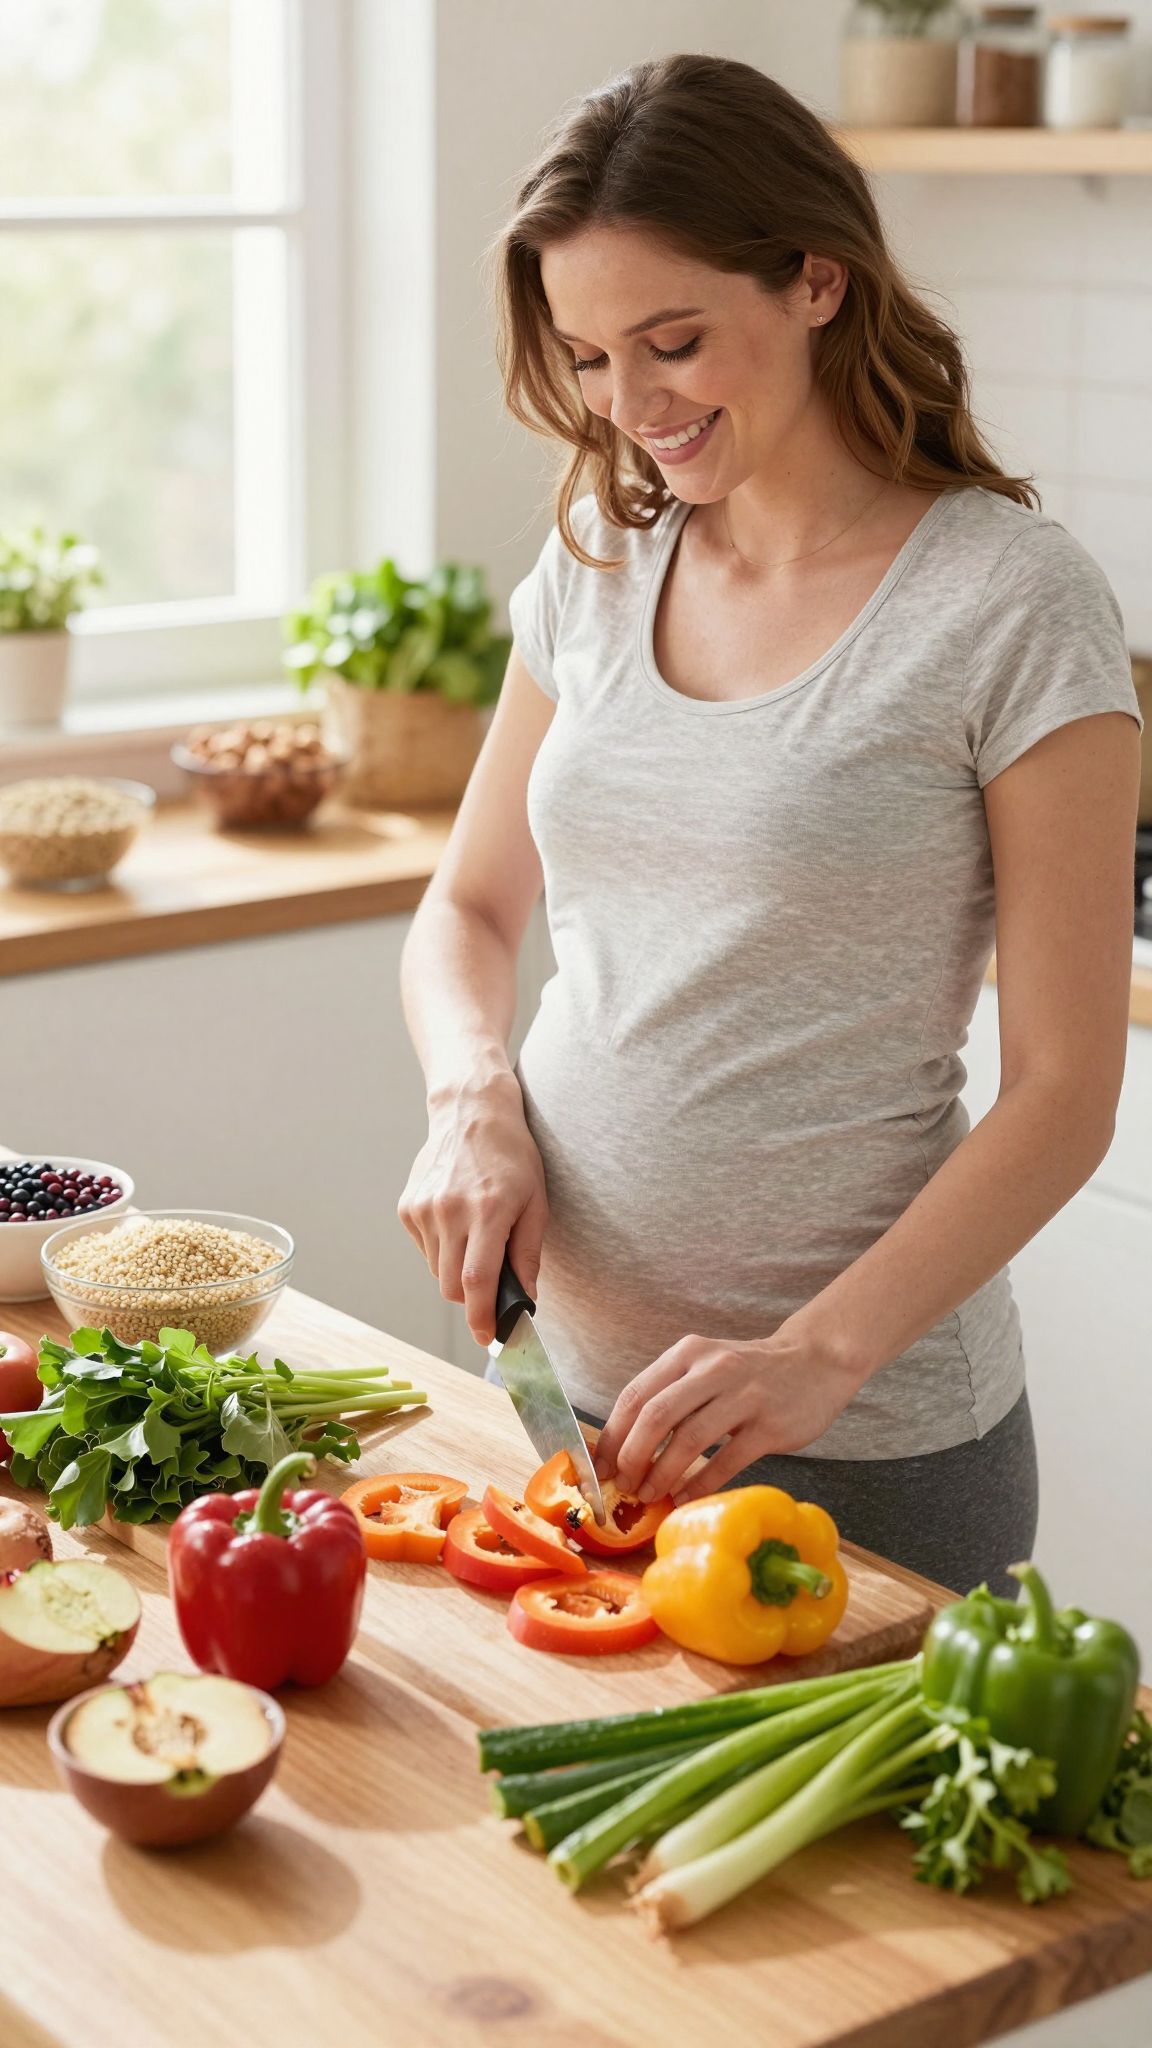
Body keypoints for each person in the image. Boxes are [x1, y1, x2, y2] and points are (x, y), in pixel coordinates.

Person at [397, 53, 1142, 1597]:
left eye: (674, 342)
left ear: (817, 280)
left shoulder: (1009, 601)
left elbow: (1066, 1090)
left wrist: (812, 1357)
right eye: (592, 357)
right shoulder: (600, 558)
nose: (631, 408)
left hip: (855, 1446)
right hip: (558, 1394)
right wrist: (471, 1099)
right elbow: (467, 909)